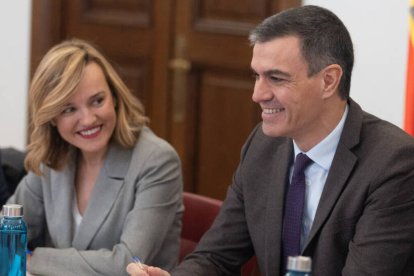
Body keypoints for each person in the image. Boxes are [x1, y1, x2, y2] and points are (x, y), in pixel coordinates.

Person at [126, 5, 414, 276]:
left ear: (329, 80)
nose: (258, 94)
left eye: (276, 78)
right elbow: (216, 256)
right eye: (257, 76)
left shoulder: (393, 164)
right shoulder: (263, 146)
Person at [6, 39, 184, 275]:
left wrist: (32, 258)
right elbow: (6, 233)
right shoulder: (54, 156)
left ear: (115, 97)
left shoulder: (156, 161)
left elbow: (126, 265)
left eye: (97, 101)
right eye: (69, 109)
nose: (88, 119)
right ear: (51, 117)